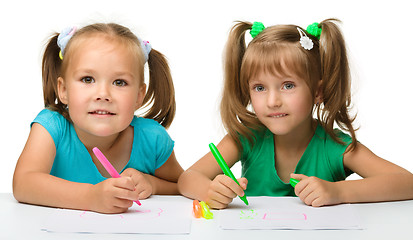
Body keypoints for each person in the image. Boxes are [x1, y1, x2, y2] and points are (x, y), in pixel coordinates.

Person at [178, 19, 413, 209]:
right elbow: (187, 178)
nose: (272, 101)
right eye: (259, 88)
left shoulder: (335, 145)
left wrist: (338, 191)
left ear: (318, 91)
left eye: (288, 85)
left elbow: (407, 183)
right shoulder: (246, 137)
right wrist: (209, 191)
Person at [13, 23, 184, 213]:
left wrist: (152, 184)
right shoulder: (51, 127)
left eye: (119, 82)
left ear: (138, 95)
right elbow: (23, 183)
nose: (103, 94)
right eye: (87, 79)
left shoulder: (152, 139)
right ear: (63, 90)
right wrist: (91, 197)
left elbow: (183, 185)